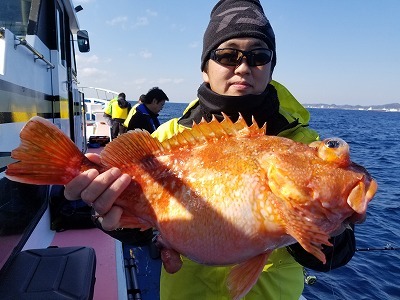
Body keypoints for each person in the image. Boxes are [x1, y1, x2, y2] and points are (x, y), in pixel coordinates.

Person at [64, 0, 363, 299]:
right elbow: (140, 231)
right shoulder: (169, 136)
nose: (243, 67)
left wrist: (331, 227)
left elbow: (334, 259)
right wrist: (112, 216)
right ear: (205, 68)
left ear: (271, 67)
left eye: (258, 56)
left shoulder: (301, 143)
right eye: (227, 55)